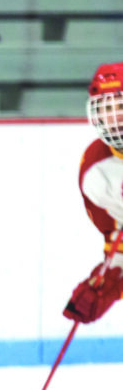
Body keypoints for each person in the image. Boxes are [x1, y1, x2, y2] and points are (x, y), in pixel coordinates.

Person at [63, 62, 123, 324]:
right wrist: (109, 282)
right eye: (106, 108)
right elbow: (116, 236)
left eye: (120, 106)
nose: (114, 118)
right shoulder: (95, 171)